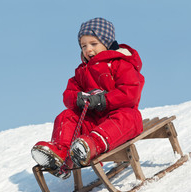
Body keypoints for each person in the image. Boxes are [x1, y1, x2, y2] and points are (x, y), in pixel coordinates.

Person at [31, 17, 145, 179]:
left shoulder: (120, 63)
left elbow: (130, 93)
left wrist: (104, 100)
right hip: (94, 121)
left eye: (93, 44)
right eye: (84, 46)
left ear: (107, 43)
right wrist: (77, 98)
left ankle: (89, 147)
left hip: (121, 120)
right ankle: (60, 154)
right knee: (67, 116)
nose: (88, 49)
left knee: (126, 116)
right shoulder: (82, 71)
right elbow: (68, 93)